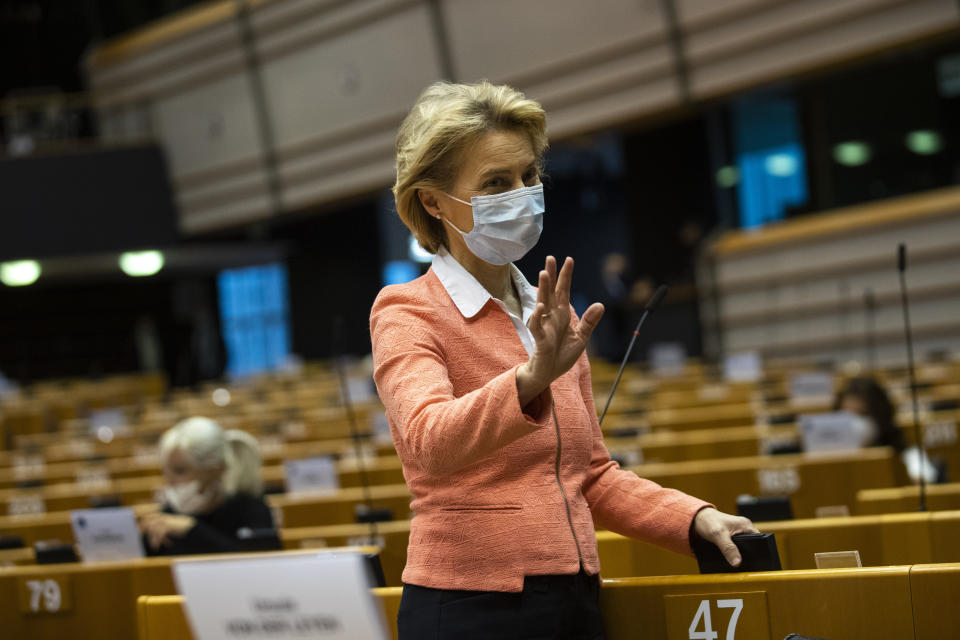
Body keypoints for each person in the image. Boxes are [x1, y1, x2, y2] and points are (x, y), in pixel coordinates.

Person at [370, 81, 756, 640]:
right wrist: (529, 379)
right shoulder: (407, 310)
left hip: (573, 599)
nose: (523, 193)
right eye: (497, 183)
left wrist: (692, 519)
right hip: (468, 605)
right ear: (432, 200)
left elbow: (589, 475)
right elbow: (428, 441)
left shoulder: (552, 314)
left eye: (529, 176)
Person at [140, 417, 274, 556]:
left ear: (216, 469)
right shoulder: (168, 516)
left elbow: (258, 565)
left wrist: (192, 530)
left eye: (180, 471)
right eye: (165, 471)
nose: (169, 481)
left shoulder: (250, 508)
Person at [835, 376, 939, 483]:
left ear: (879, 414)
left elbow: (926, 481)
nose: (855, 423)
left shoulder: (908, 454)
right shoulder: (829, 457)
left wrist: (918, 473)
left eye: (862, 414)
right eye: (847, 416)